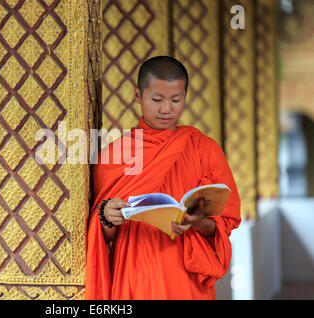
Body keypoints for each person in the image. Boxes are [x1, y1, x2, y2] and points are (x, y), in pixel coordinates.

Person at [84, 56, 241, 300]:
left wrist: (196, 221)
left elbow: (223, 226)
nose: (167, 108)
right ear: (138, 95)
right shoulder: (115, 154)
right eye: (157, 99)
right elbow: (100, 235)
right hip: (133, 274)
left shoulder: (203, 149)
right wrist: (107, 217)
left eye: (176, 100)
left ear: (186, 96)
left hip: (186, 279)